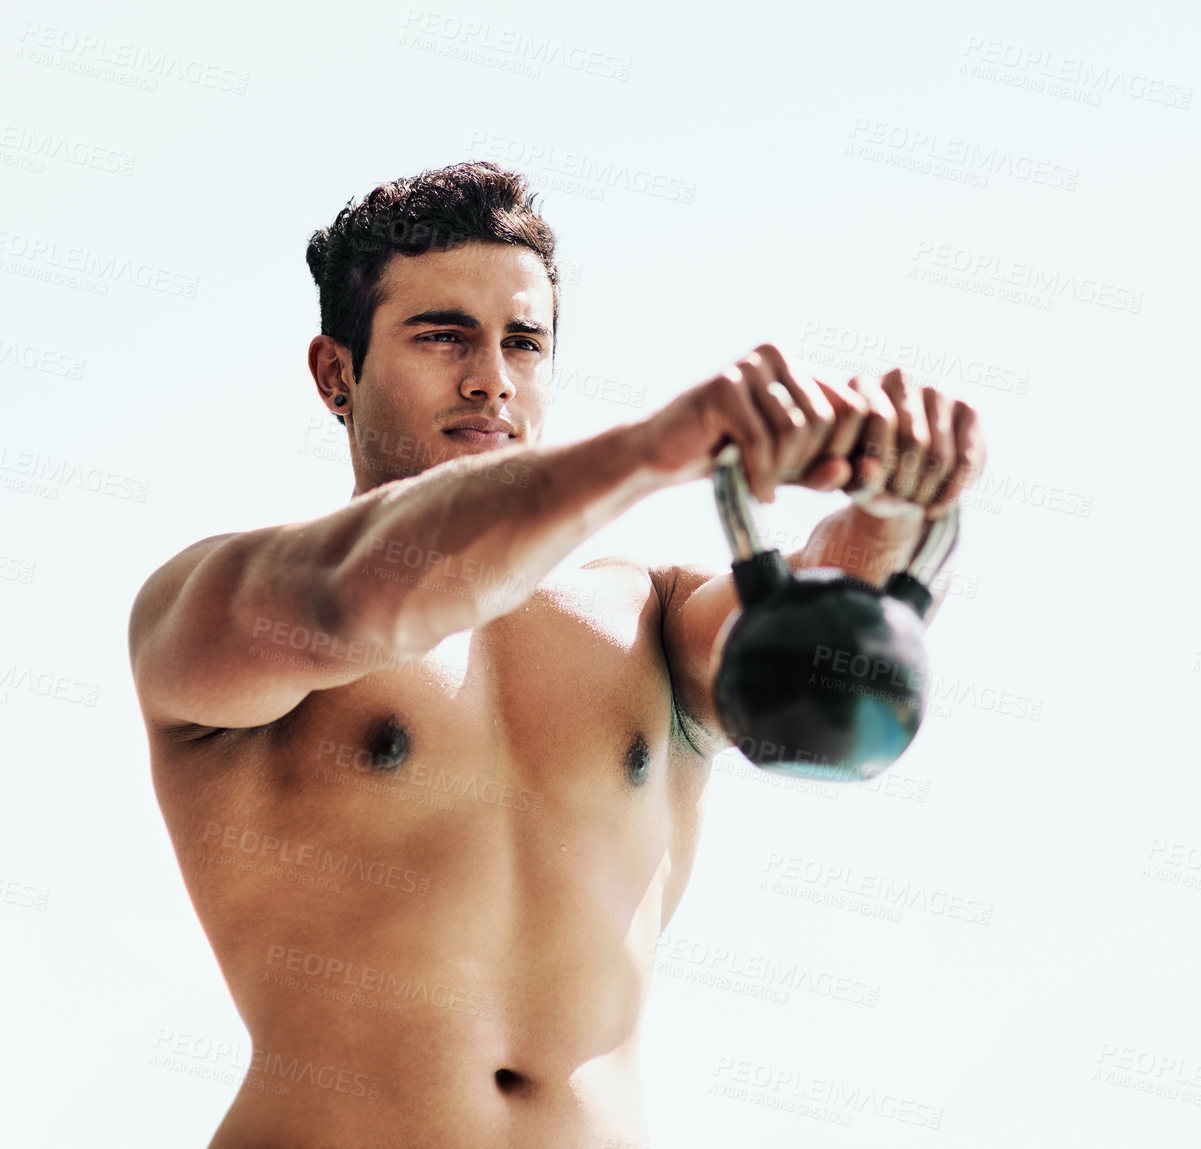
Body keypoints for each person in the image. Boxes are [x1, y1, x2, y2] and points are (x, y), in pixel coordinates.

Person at [126, 161, 986, 1148]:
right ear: (336, 373)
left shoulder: (647, 616)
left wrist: (901, 498)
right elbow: (387, 587)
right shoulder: (217, 602)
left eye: (522, 342)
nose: (491, 375)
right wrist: (656, 446)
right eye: (442, 335)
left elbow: (831, 648)